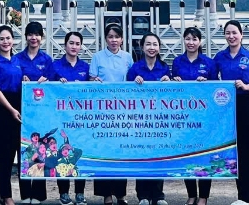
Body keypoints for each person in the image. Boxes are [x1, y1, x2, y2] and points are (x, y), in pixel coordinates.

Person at [212, 19, 249, 205]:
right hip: (225, 108)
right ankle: (245, 193)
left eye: (234, 33)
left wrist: (246, 86)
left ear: (241, 35)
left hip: (244, 105)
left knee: (245, 150)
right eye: (228, 33)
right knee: (233, 151)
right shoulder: (220, 57)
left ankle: (247, 197)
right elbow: (212, 79)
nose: (231, 36)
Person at [88, 24, 133, 205]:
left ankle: (120, 194)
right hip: (102, 112)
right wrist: (95, 81)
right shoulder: (97, 57)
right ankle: (106, 194)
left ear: (122, 39)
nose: (114, 40)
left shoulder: (127, 57)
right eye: (110, 36)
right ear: (105, 39)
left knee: (121, 152)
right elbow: (91, 79)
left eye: (117, 36)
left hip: (122, 112)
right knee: (103, 152)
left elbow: (132, 79)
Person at [171, 27, 216, 205]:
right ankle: (191, 195)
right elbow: (173, 90)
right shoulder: (177, 62)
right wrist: (175, 81)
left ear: (200, 42)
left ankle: (203, 196)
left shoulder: (209, 63)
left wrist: (207, 83)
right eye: (188, 39)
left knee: (205, 155)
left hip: (204, 117)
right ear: (183, 40)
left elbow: (216, 89)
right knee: (187, 155)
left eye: (194, 39)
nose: (191, 42)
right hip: (184, 117)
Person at [127, 32, 172, 205]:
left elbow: (171, 94)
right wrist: (133, 82)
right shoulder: (135, 68)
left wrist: (168, 81)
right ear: (142, 47)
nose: (151, 48)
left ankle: (158, 195)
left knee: (158, 156)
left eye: (155, 44)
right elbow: (125, 92)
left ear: (159, 48)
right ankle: (143, 196)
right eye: (148, 44)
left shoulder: (164, 68)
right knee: (142, 156)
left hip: (159, 119)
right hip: (139, 119)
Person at [17, 21, 56, 204]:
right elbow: (13, 80)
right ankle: (25, 194)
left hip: (41, 113)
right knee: (25, 151)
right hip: (23, 112)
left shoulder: (47, 60)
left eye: (37, 34)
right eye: (30, 34)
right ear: (26, 37)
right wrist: (22, 80)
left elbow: (53, 85)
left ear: (42, 37)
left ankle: (39, 194)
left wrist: (46, 82)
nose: (34, 38)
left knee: (41, 151)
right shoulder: (17, 59)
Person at [50, 31, 91, 205]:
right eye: (71, 43)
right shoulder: (55, 66)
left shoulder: (85, 67)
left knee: (79, 154)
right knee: (63, 154)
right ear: (65, 45)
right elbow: (48, 90)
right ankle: (64, 193)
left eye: (77, 44)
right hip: (61, 119)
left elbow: (90, 91)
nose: (74, 46)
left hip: (81, 119)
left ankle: (80, 193)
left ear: (81, 46)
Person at [0, 25, 25, 205]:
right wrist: (11, 110)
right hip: (2, 111)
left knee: (16, 153)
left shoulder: (17, 60)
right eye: (2, 39)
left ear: (13, 40)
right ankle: (7, 196)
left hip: (18, 108)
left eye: (8, 38)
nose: (5, 42)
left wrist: (25, 80)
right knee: (3, 155)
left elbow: (20, 80)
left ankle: (0, 193)